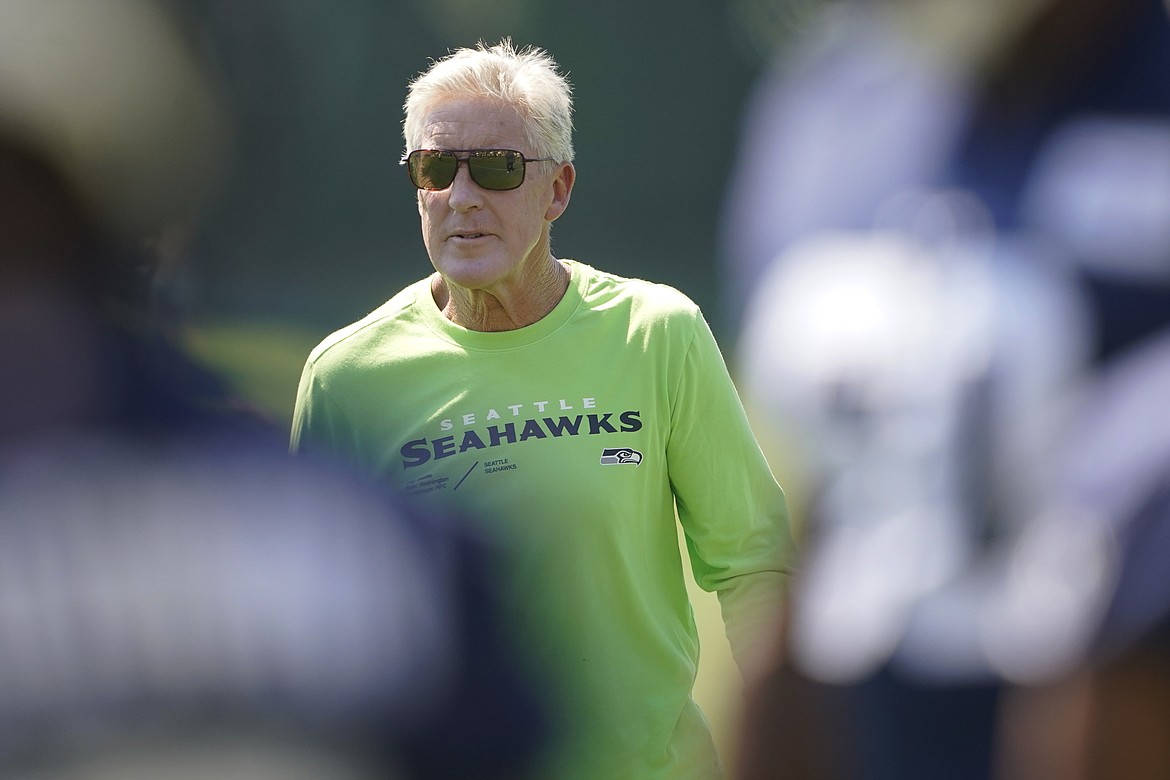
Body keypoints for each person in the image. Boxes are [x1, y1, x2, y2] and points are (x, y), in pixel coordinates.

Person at [290, 39, 793, 780]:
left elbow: (754, 560)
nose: (462, 197)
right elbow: (317, 626)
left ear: (557, 190)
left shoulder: (657, 334)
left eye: (495, 169)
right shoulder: (346, 377)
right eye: (436, 168)